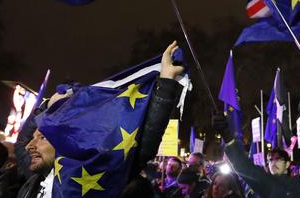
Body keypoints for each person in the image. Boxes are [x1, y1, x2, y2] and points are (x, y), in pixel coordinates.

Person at [16, 41, 186, 197]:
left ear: (66, 141)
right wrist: (46, 109)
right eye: (33, 138)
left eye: (43, 137)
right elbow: (21, 142)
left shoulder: (100, 174)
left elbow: (147, 140)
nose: (30, 145)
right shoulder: (34, 177)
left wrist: (166, 83)